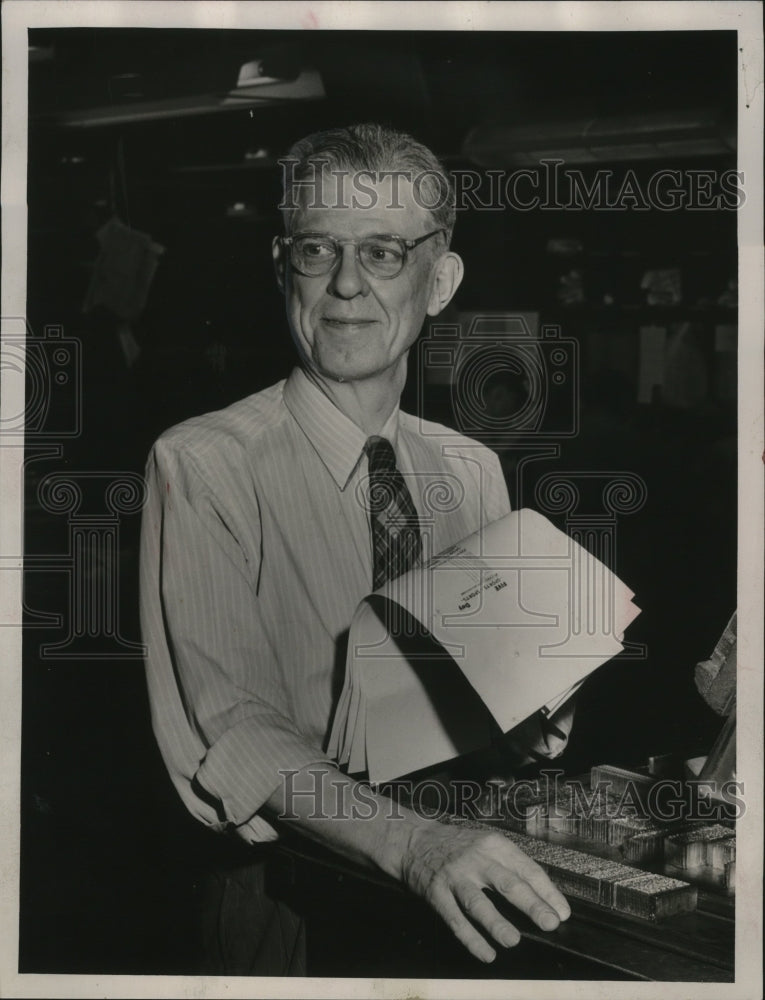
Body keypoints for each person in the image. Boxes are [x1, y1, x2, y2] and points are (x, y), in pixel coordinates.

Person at [140, 123, 572, 976]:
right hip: (289, 898)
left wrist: (549, 684)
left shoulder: (470, 469)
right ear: (281, 264)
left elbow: (505, 731)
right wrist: (410, 845)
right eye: (317, 250)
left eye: (381, 253)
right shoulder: (204, 464)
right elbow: (238, 729)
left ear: (437, 279)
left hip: (459, 879)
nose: (344, 286)